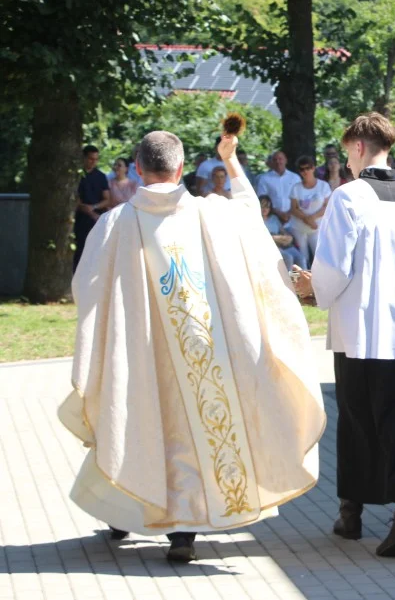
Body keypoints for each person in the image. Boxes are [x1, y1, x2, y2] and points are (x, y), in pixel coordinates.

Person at [60, 130, 325, 562]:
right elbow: (251, 216)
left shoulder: (115, 224)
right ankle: (182, 533)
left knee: (137, 425)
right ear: (182, 168)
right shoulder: (215, 215)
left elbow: (86, 289)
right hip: (210, 351)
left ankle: (128, 509)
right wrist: (231, 160)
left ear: (140, 168)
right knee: (196, 430)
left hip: (143, 355)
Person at [295, 113, 395, 558]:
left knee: (357, 421)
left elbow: (334, 264)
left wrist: (310, 288)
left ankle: (351, 512)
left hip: (359, 329)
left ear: (356, 147)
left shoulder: (348, 196)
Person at [289, 156, 332, 267]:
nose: (305, 171)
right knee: (303, 258)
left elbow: (327, 206)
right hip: (299, 227)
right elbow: (293, 209)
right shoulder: (296, 187)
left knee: (319, 256)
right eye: (302, 169)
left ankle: (320, 282)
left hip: (317, 227)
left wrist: (312, 218)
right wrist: (307, 220)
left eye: (307, 168)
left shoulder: (323, 186)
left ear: (313, 168)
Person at [74, 145, 109, 271]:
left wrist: (94, 208)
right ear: (84, 158)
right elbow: (75, 199)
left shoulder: (100, 176)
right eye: (90, 159)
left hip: (97, 218)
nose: (93, 162)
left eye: (96, 159)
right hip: (80, 220)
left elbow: (107, 199)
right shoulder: (76, 175)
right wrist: (88, 210)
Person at [256, 150, 301, 232]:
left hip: (293, 218)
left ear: (285, 160)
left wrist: (289, 214)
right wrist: (279, 213)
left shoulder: (295, 178)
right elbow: (262, 200)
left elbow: (300, 198)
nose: (278, 161)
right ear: (271, 162)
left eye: (280, 159)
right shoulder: (264, 179)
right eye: (275, 159)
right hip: (272, 218)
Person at [260, 194, 305, 270]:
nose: (265, 209)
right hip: (269, 246)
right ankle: (288, 280)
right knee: (288, 257)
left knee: (301, 258)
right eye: (262, 206)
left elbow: (283, 231)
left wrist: (288, 237)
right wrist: (276, 238)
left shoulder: (274, 218)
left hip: (282, 244)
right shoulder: (256, 220)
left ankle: (304, 278)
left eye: (267, 206)